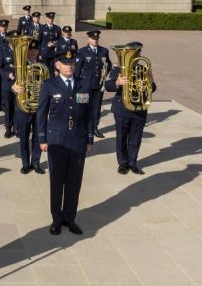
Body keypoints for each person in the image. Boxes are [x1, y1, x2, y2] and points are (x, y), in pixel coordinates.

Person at [36, 48, 93, 235]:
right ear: (57, 65)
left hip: (77, 139)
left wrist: (89, 138)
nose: (69, 66)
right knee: (57, 180)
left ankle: (70, 218)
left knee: (74, 181)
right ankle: (56, 219)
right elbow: (41, 114)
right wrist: (42, 138)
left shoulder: (83, 84)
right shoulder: (49, 85)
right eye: (65, 64)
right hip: (57, 140)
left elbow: (89, 115)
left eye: (72, 63)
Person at [105, 42, 156, 175]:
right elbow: (108, 85)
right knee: (121, 137)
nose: (137, 55)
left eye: (138, 53)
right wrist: (117, 82)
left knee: (136, 138)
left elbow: (153, 88)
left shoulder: (143, 69)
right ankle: (123, 164)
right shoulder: (117, 70)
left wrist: (149, 82)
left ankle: (133, 163)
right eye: (134, 53)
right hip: (122, 108)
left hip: (139, 108)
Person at [9, 39, 45, 173]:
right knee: (23, 136)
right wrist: (14, 87)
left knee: (38, 136)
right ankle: (25, 163)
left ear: (38, 51)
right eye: (30, 50)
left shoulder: (43, 65)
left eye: (34, 50)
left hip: (39, 106)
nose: (32, 53)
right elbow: (10, 82)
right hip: (23, 107)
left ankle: (36, 163)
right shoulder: (19, 65)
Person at [74, 30, 112, 139]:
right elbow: (77, 70)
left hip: (98, 84)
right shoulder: (81, 52)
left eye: (96, 39)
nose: (95, 41)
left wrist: (105, 73)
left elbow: (108, 64)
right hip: (84, 85)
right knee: (82, 106)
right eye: (93, 39)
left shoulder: (104, 51)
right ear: (88, 39)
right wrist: (76, 85)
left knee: (96, 107)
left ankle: (94, 128)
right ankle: (80, 127)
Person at [0, 31, 17, 139]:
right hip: (7, 84)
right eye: (13, 40)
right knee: (8, 108)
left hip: (19, 84)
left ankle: (17, 128)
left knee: (18, 108)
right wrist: (7, 74)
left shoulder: (21, 50)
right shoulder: (3, 51)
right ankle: (8, 129)